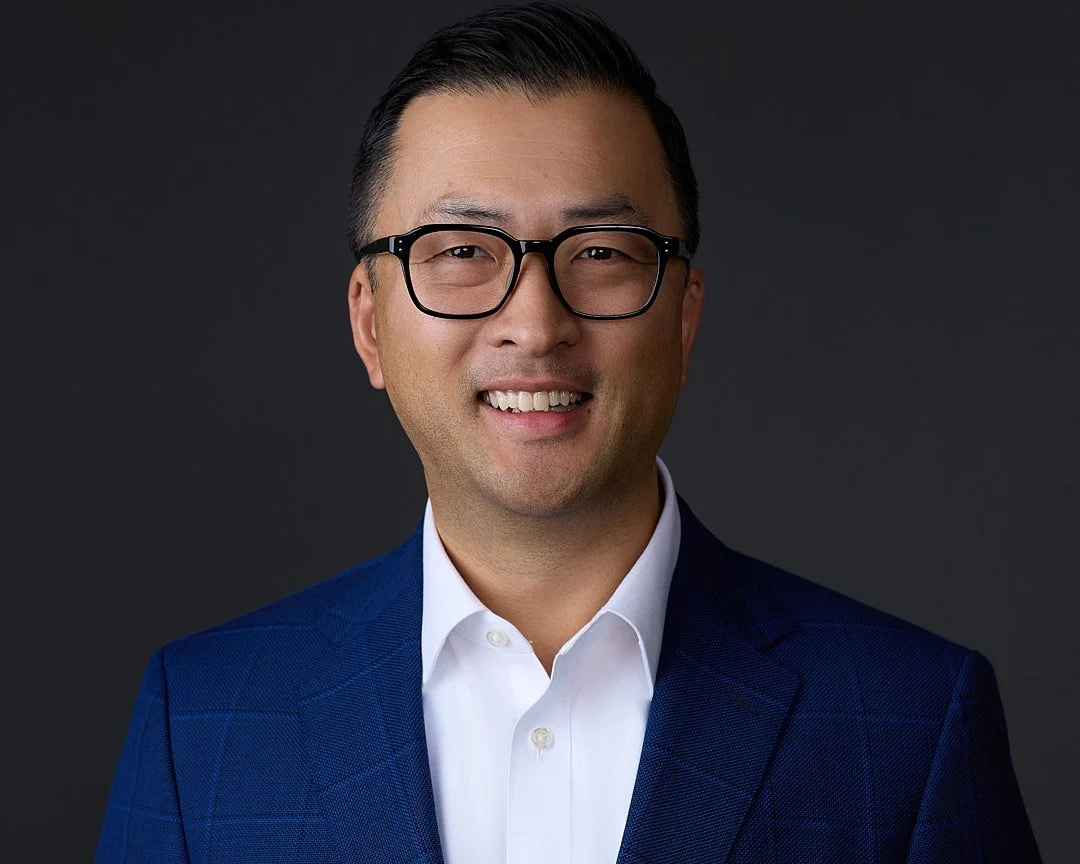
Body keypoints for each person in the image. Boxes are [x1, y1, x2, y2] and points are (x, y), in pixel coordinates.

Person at [96, 3, 1041, 862]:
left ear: (684, 317)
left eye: (600, 253)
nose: (536, 324)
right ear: (369, 323)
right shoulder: (205, 722)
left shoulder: (911, 723)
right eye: (462, 251)